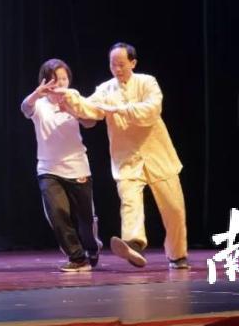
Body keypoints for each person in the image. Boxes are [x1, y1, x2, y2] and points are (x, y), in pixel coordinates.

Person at [59, 43, 189, 270]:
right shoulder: (106, 89)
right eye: (112, 64)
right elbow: (90, 109)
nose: (116, 69)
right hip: (126, 158)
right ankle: (134, 244)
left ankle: (177, 255)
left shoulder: (147, 82)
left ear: (133, 63)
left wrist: (120, 109)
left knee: (174, 209)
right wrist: (69, 97)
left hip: (158, 156)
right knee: (130, 203)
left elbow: (152, 110)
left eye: (121, 64)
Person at [21, 58, 102, 272]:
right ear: (45, 81)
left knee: (85, 219)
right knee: (57, 213)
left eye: (64, 78)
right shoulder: (39, 104)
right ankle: (77, 258)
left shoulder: (75, 98)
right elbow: (25, 107)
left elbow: (91, 122)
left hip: (77, 167)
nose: (60, 83)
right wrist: (36, 94)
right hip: (48, 169)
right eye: (55, 79)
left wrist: (73, 110)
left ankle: (92, 247)